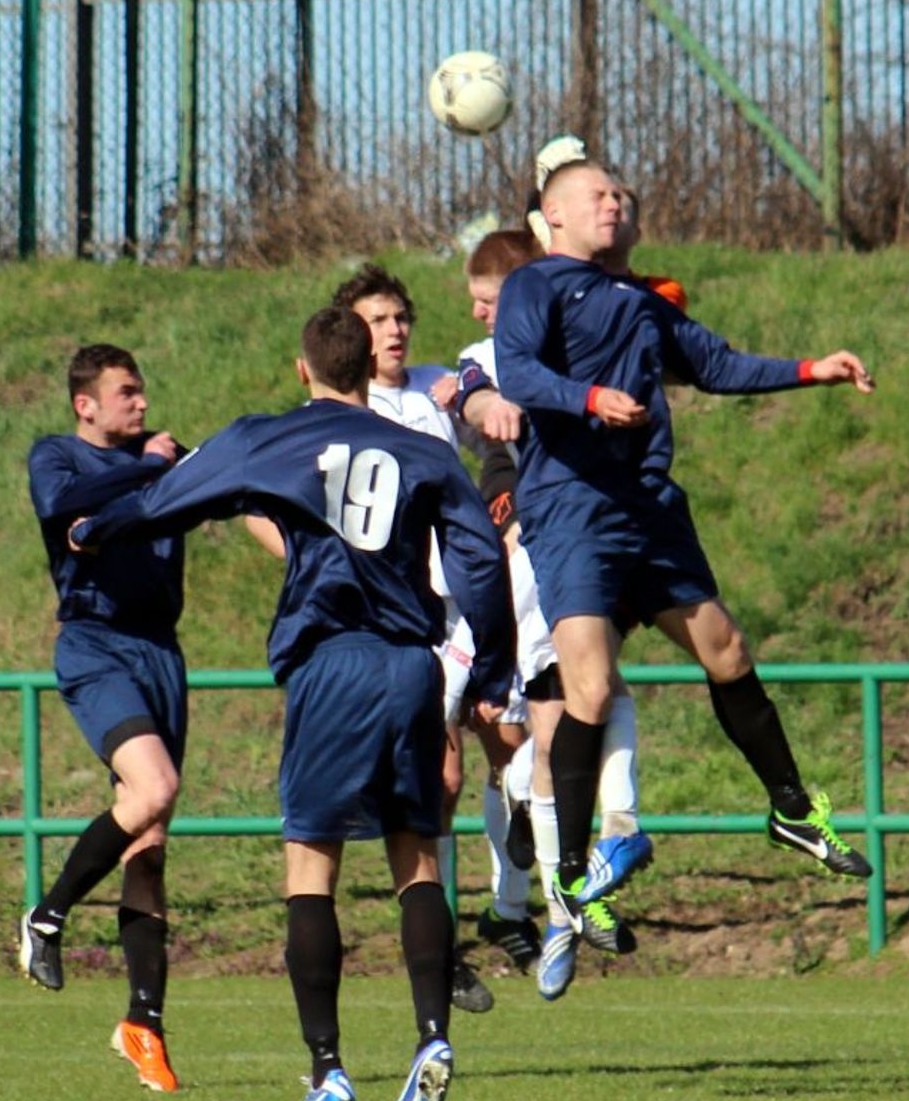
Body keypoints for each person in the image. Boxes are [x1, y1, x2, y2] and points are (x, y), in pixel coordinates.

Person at [68, 307, 515, 1101]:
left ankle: (328, 1070)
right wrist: (489, 667)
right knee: (417, 858)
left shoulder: (277, 437)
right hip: (414, 666)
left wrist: (101, 528)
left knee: (310, 873)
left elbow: (176, 497)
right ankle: (431, 1036)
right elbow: (481, 560)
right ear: (367, 370)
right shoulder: (424, 452)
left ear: (304, 369)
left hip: (332, 664)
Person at [491, 159, 875, 948]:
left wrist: (814, 370)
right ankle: (570, 880)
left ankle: (793, 810)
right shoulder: (535, 286)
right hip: (572, 510)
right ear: (552, 214)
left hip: (650, 511)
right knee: (588, 687)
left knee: (726, 650)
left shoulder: (640, 300)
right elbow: (519, 372)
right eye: (596, 193)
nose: (614, 200)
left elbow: (719, 365)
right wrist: (590, 398)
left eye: (620, 194)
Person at [451, 227, 673, 999]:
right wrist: (484, 404)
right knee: (548, 722)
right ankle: (562, 884)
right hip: (527, 558)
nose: (481, 315)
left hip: (589, 541)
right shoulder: (489, 356)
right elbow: (474, 387)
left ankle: (563, 902)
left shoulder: (576, 341)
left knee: (584, 705)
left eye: (489, 301)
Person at [330, 263, 531, 1005]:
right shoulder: (343, 409)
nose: (393, 330)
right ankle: (441, 943)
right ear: (349, 333)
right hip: (406, 618)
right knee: (439, 778)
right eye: (377, 320)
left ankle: (511, 900)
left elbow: (491, 418)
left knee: (511, 751)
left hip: (474, 604)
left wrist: (476, 404)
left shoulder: (439, 384)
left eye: (399, 317)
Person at [22, 344, 186, 1092]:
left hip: (161, 652)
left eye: (144, 391)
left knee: (148, 841)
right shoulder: (57, 456)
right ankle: (47, 917)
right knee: (152, 788)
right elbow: (61, 510)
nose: (141, 403)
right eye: (126, 393)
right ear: (86, 403)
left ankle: (143, 1024)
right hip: (97, 645)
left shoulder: (166, 457)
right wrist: (155, 469)